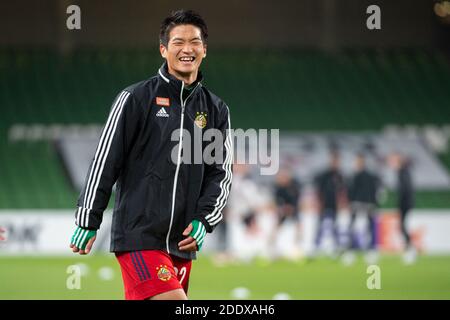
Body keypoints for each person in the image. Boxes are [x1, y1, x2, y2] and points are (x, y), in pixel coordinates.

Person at [69, 10, 233, 300]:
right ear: (163, 49)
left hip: (182, 242)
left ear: (204, 50)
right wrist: (88, 217)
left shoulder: (216, 109)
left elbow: (220, 173)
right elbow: (106, 160)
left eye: (195, 42)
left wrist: (204, 219)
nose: (187, 49)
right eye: (178, 42)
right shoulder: (135, 98)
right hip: (139, 236)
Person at [343, 153, 382, 265]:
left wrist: (373, 203)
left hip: (365, 205)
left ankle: (370, 251)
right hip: (357, 205)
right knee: (354, 228)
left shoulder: (367, 176)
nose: (357, 163)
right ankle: (351, 251)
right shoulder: (354, 176)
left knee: (368, 228)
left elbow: (373, 190)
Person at [313, 151, 347, 256]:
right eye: (334, 161)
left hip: (334, 205)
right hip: (324, 205)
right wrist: (319, 203)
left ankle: (335, 246)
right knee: (320, 226)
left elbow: (342, 191)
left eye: (337, 161)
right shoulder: (324, 175)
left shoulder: (340, 176)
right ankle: (316, 246)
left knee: (335, 226)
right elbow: (319, 191)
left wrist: (342, 202)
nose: (335, 163)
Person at [269, 167, 302, 259]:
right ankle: (272, 249)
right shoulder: (278, 189)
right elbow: (276, 203)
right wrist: (282, 209)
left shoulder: (294, 187)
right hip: (282, 212)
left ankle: (298, 248)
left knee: (298, 229)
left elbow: (296, 202)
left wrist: (290, 209)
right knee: (276, 230)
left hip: (293, 212)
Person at [391, 153, 416, 264]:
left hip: (405, 204)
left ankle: (410, 249)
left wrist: (400, 205)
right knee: (402, 226)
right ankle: (409, 249)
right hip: (407, 203)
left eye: (394, 161)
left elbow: (404, 190)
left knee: (402, 226)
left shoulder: (402, 172)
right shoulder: (404, 172)